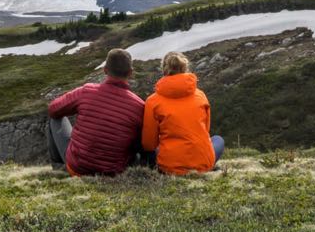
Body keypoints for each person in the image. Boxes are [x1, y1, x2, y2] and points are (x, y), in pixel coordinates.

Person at [46, 48, 145, 176]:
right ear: (130, 73)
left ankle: (59, 168)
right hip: (111, 174)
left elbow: (53, 109)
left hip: (77, 168)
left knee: (55, 118)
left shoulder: (87, 91)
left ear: (105, 70)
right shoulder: (140, 106)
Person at [141, 51, 224, 175]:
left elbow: (149, 144)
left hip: (170, 167)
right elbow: (205, 130)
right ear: (185, 68)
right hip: (203, 164)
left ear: (164, 70)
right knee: (218, 139)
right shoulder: (200, 95)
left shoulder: (153, 101)